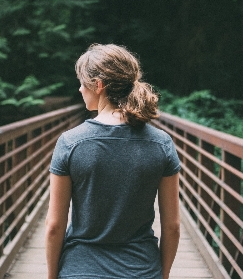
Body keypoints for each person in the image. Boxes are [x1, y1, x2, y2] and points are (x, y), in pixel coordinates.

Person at [45, 44, 181, 279]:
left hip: (81, 271)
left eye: (81, 82)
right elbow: (173, 227)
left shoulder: (70, 143)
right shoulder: (161, 144)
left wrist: (51, 276)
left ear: (98, 85)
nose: (79, 89)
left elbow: (55, 226)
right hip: (141, 270)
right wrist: (162, 275)